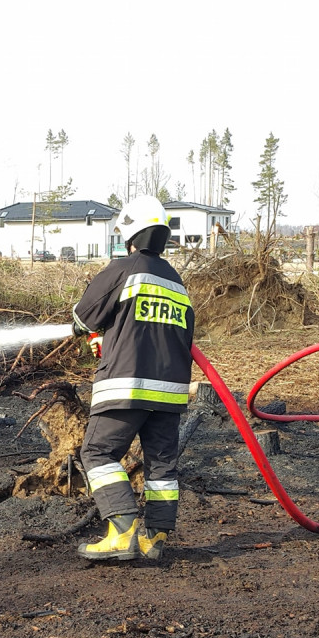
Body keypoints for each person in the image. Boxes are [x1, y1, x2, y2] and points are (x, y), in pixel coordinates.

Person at [71, 196, 195, 561]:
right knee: (162, 466)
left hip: (126, 385)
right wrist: (111, 336)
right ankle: (154, 538)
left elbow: (83, 318)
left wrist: (97, 334)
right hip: (170, 392)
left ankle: (122, 528)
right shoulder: (176, 281)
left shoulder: (124, 269)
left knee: (97, 452)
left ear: (131, 235)